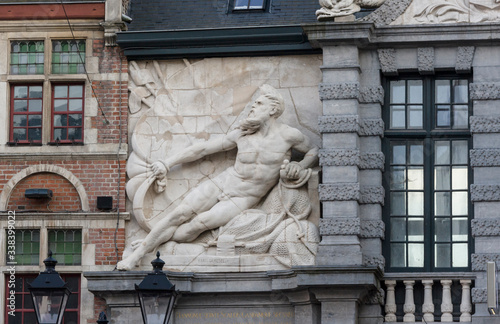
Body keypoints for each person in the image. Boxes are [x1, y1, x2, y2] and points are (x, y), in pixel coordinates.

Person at [117, 85, 319, 270]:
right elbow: (203, 149)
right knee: (179, 213)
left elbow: (314, 150)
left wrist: (299, 165)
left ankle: (157, 241)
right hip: (225, 181)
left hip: (244, 197)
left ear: (273, 110)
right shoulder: (243, 134)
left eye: (258, 104)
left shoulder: (289, 136)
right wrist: (167, 163)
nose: (253, 107)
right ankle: (138, 254)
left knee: (197, 225)